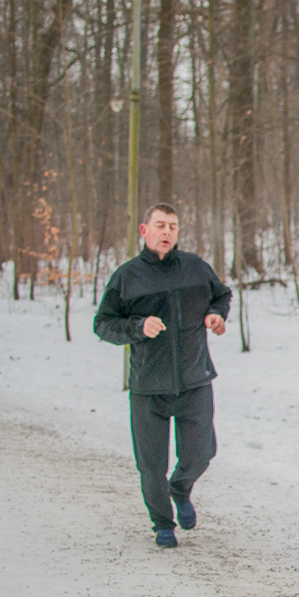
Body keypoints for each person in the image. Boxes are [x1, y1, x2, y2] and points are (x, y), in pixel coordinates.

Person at [93, 203, 232, 548]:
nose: (167, 231)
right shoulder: (127, 276)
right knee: (151, 465)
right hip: (147, 387)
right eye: (160, 225)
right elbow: (103, 325)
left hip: (194, 379)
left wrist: (216, 315)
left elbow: (222, 295)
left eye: (172, 226)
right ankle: (163, 524)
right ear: (145, 231)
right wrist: (138, 326)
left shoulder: (196, 268)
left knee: (201, 453)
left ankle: (181, 488)